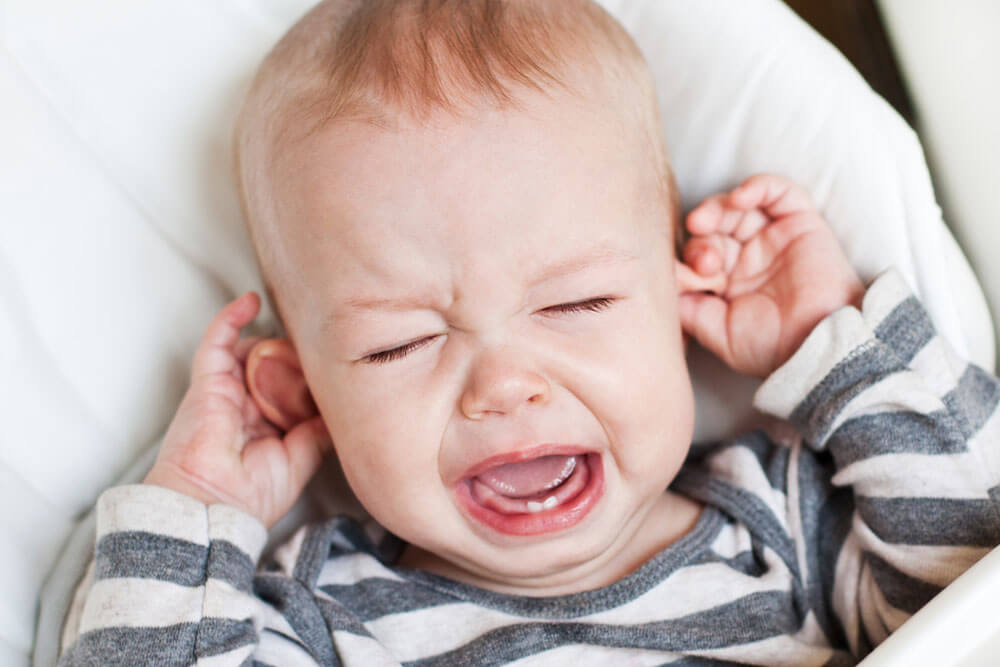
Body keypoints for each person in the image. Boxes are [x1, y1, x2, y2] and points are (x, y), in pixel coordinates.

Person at [59, 0, 1000, 664]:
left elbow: (976, 562)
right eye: (401, 343)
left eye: (575, 304)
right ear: (305, 391)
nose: (504, 384)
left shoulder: (784, 525)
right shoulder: (318, 617)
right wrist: (195, 509)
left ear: (676, 294)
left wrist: (835, 344)